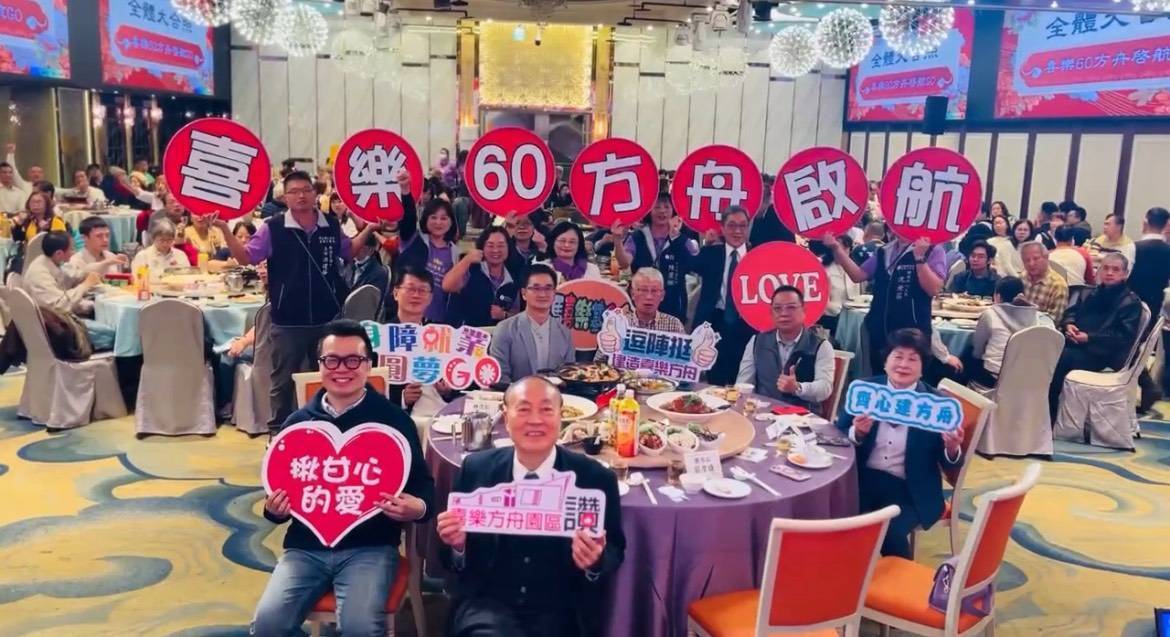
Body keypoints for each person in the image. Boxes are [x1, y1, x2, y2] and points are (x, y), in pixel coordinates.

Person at [252, 320, 434, 636]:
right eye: (332, 360)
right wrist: (274, 510)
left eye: (353, 360)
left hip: (370, 547)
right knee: (268, 624)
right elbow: (279, 497)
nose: (342, 369)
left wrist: (416, 508)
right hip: (306, 548)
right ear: (320, 365)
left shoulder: (393, 422)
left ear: (368, 365)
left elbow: (424, 487)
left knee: (361, 627)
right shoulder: (297, 425)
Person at [436, 376, 625, 637]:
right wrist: (457, 546)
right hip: (488, 603)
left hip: (562, 607)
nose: (535, 420)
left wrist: (595, 561)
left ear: (561, 416)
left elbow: (615, 549)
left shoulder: (595, 478)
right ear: (506, 417)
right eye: (524, 409)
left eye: (546, 410)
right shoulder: (476, 469)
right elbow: (449, 558)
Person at [217, 170, 380, 433]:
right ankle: (278, 432)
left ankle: (325, 428)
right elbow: (246, 257)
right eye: (294, 191)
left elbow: (348, 251)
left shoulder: (330, 224)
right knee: (282, 381)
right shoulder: (273, 227)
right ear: (285, 197)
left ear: (316, 194)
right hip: (287, 319)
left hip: (327, 318)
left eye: (306, 190)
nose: (301, 196)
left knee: (327, 376)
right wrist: (225, 229)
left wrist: (370, 228)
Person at [836, 328, 964, 558]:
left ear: (923, 368)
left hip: (911, 488)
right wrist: (858, 433)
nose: (904, 365)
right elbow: (838, 435)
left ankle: (897, 576)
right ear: (885, 362)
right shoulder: (866, 392)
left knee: (889, 532)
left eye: (913, 359)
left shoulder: (936, 405)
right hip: (862, 480)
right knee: (829, 514)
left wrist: (952, 448)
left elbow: (951, 464)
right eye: (898, 356)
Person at [825, 229, 947, 374]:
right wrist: (836, 248)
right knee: (878, 375)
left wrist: (920, 258)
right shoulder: (884, 250)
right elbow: (858, 275)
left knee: (907, 376)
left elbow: (933, 289)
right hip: (878, 328)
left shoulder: (932, 249)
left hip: (913, 331)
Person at [1048, 253, 1143, 421]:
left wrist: (1089, 338)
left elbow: (1122, 337)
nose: (1109, 273)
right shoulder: (1090, 292)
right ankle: (1042, 408)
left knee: (1061, 359)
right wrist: (1069, 324)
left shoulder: (1130, 302)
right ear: (1099, 270)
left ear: (1125, 274)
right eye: (1105, 268)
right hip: (1078, 343)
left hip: (1104, 353)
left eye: (1115, 269)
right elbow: (1071, 312)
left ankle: (1052, 414)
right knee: (1047, 350)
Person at [736, 286, 834, 411]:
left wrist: (797, 388)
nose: (784, 313)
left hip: (802, 417)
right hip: (762, 413)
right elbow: (743, 383)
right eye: (777, 308)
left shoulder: (820, 346)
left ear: (804, 311)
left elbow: (825, 388)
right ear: (771, 313)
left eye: (791, 307)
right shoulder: (757, 341)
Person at [381, 267, 462, 418]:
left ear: (430, 298)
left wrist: (447, 391)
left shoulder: (441, 334)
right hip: (402, 417)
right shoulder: (382, 336)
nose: (416, 295)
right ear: (396, 293)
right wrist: (401, 398)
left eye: (423, 290)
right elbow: (371, 386)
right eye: (410, 289)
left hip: (443, 415)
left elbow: (458, 383)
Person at [691, 206, 756, 385]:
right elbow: (689, 265)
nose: (737, 231)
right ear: (722, 228)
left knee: (741, 380)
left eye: (742, 226)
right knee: (714, 380)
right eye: (732, 225)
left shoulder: (758, 257)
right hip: (714, 323)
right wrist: (707, 244)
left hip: (746, 325)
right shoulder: (710, 253)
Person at [22, 231, 116, 350]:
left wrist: (102, 266)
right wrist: (85, 285)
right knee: (113, 334)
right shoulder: (39, 273)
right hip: (52, 327)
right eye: (71, 249)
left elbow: (76, 274)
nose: (73, 252)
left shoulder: (53, 261)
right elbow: (60, 306)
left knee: (97, 311)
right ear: (59, 253)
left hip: (58, 317)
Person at [612, 192, 698, 321]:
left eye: (666, 207)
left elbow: (696, 265)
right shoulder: (639, 236)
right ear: (649, 210)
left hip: (673, 305)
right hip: (641, 303)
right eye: (657, 207)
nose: (662, 211)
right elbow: (624, 263)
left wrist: (708, 243)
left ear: (673, 211)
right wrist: (617, 240)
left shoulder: (681, 239)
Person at [489, 264, 575, 383]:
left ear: (554, 293)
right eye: (536, 288)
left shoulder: (564, 330)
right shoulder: (505, 329)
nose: (542, 294)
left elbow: (569, 374)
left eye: (548, 288)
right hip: (514, 393)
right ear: (524, 293)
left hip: (555, 393)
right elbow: (499, 375)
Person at [968, 276, 1054, 387]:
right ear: (1022, 295)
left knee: (966, 358)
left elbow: (977, 350)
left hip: (994, 377)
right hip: (1030, 380)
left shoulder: (991, 314)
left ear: (998, 296)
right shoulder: (1040, 318)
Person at [1129, 207, 1170, 413]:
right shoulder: (1168, 251)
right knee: (1137, 347)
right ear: (1166, 225)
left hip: (1131, 305)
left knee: (1128, 346)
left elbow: (1126, 276)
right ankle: (1147, 386)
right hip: (1155, 306)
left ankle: (1146, 386)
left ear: (1145, 222)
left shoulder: (1134, 247)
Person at [399, 187, 460, 323]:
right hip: (407, 316)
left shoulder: (455, 252)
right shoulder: (414, 239)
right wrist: (405, 191)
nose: (438, 222)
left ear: (451, 222)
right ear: (425, 219)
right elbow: (408, 218)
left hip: (437, 321)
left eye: (443, 218)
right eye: (433, 217)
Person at [443, 227, 520, 327]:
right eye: (490, 245)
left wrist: (504, 315)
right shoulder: (470, 268)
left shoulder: (513, 279)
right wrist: (466, 260)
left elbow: (516, 313)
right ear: (482, 247)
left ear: (508, 248)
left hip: (494, 334)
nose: (495, 250)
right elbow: (447, 286)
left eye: (501, 246)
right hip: (463, 333)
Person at [809, 238, 859, 332]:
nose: (843, 252)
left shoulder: (855, 270)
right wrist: (840, 312)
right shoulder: (823, 272)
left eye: (846, 248)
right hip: (832, 319)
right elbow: (822, 303)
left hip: (853, 317)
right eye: (839, 248)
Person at [1019, 241, 1069, 321]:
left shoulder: (1058, 285)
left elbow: (1054, 319)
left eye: (1036, 259)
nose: (1031, 264)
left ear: (1046, 257)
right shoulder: (1022, 276)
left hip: (1042, 327)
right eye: (1027, 260)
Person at [344, 232, 390, 305]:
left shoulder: (379, 274)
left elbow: (370, 302)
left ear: (370, 250)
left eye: (360, 246)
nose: (356, 248)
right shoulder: (348, 265)